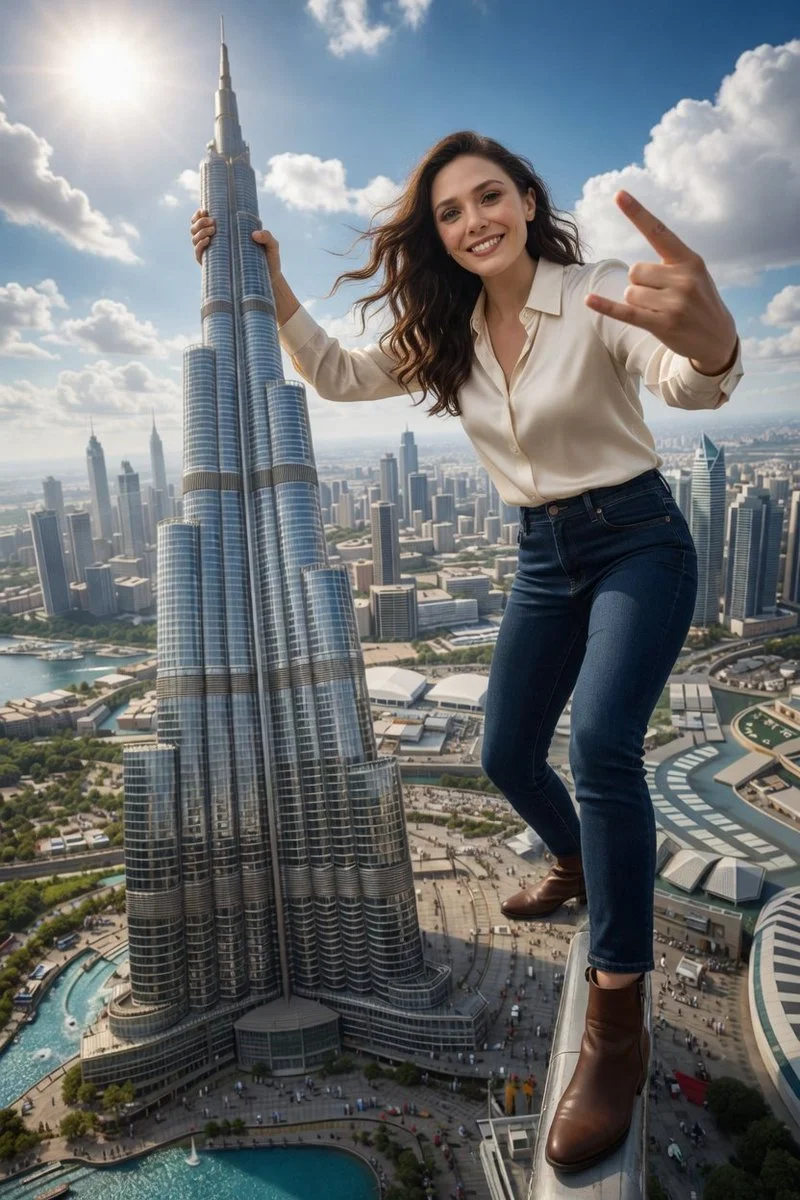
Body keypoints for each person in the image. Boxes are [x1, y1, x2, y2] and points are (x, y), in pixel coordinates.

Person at [189, 130, 742, 1174]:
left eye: (489, 196)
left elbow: (676, 377)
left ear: (526, 200)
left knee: (604, 742)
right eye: (448, 211)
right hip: (540, 553)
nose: (472, 220)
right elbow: (344, 378)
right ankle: (575, 857)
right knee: (500, 753)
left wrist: (711, 349)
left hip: (635, 541)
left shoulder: (596, 291)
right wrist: (268, 279)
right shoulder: (445, 327)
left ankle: (614, 1026)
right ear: (436, 234)